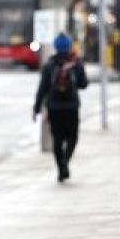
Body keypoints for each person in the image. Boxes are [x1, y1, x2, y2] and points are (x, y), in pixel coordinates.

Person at [33, 32, 88, 183]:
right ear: (69, 46)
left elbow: (42, 89)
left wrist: (36, 108)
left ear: (56, 46)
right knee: (72, 137)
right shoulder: (76, 63)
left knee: (57, 139)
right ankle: (65, 162)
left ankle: (61, 168)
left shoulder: (49, 65)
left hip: (54, 107)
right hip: (71, 107)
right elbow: (84, 84)